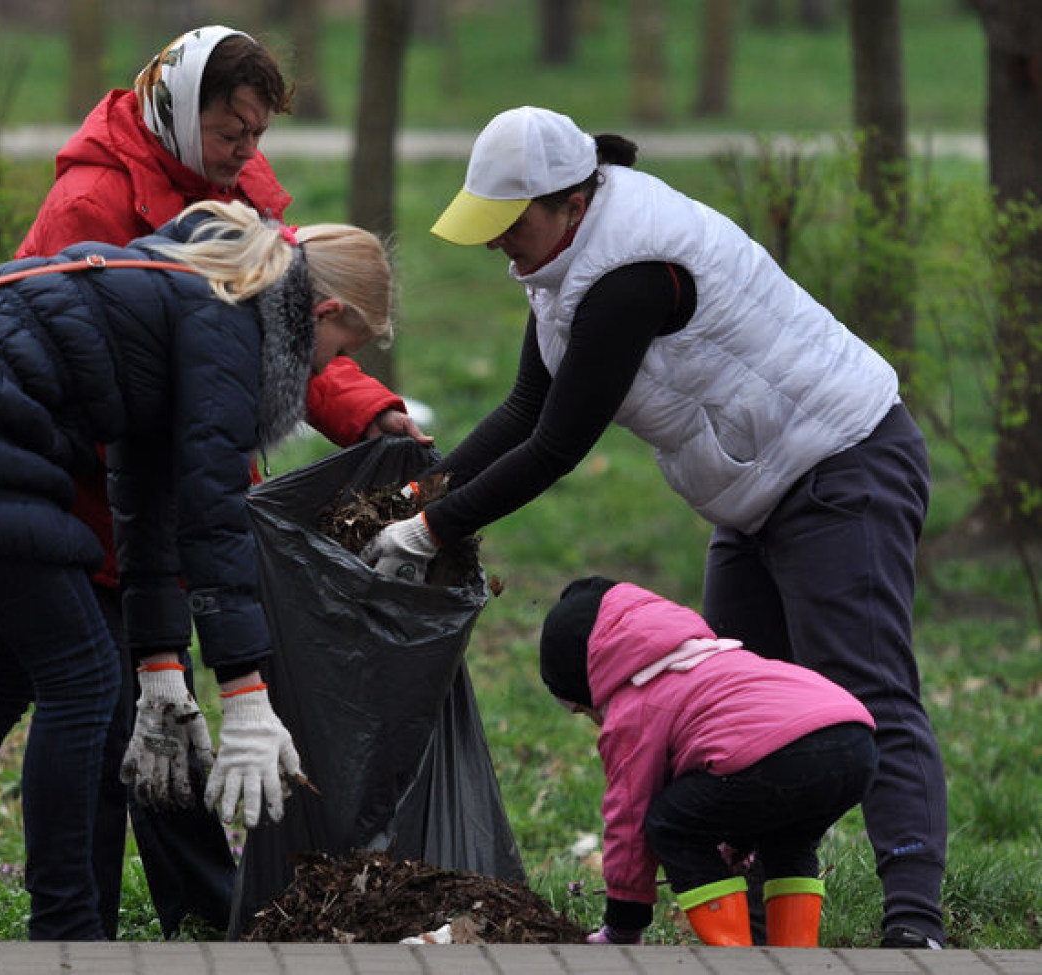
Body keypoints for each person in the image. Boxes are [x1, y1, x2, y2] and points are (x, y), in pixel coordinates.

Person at [361, 105, 948, 950]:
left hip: (841, 459)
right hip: (753, 492)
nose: (498, 244)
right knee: (738, 719)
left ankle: (917, 927)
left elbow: (561, 442)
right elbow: (527, 405)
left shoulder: (632, 271)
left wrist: (430, 530)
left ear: (567, 200)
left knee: (866, 687)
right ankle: (756, 927)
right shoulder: (564, 260)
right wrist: (422, 491)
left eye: (509, 223)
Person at [0, 199, 393, 941]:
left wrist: (162, 663)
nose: (327, 369)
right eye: (338, 349)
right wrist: (246, 696)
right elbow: (211, 511)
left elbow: (144, 490)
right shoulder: (229, 324)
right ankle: (65, 932)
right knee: (83, 680)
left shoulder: (189, 287)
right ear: (323, 310)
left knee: (8, 668)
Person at [16, 25, 429, 938]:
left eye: (258, 134)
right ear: (178, 108)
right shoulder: (93, 199)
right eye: (233, 130)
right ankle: (75, 922)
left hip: (192, 491)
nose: (250, 151)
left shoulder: (231, 193)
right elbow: (71, 371)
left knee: (170, 711)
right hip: (97, 505)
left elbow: (283, 340)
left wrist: (366, 410)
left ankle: (206, 909)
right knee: (115, 712)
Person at [539, 576, 877, 947]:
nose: (596, 722)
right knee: (788, 842)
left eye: (586, 712)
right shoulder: (712, 660)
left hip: (784, 753)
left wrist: (624, 924)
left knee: (670, 823)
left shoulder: (634, 706)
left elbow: (630, 816)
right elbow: (747, 750)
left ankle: (731, 958)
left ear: (592, 682)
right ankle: (796, 956)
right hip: (853, 739)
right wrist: (739, 836)